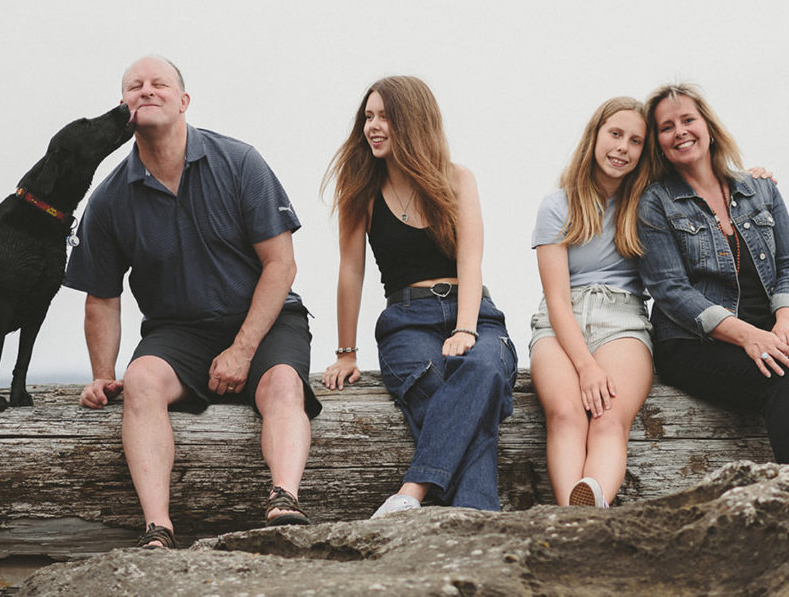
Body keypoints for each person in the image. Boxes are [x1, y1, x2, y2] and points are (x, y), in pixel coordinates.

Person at [66, 55, 321, 549]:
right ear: (123, 108)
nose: (146, 91)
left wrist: (243, 349)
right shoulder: (109, 198)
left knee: (283, 384)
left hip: (263, 321)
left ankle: (285, 499)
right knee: (140, 380)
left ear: (183, 101)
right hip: (177, 330)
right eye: (134, 86)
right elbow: (102, 297)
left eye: (159, 84)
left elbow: (281, 265)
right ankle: (157, 528)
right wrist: (102, 374)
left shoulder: (240, 161)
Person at [320, 75, 517, 517]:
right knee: (441, 389)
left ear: (413, 122)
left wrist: (467, 327)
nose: (372, 126)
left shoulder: (457, 179)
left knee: (484, 368)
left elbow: (470, 260)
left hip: (475, 313)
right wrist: (346, 352)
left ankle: (411, 493)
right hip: (408, 320)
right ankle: (480, 518)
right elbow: (351, 271)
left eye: (385, 117)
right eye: (368, 117)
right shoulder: (363, 192)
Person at [636, 83, 789, 477]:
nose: (680, 131)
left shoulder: (760, 189)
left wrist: (786, 321)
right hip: (692, 341)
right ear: (659, 144)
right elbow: (671, 291)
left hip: (768, 322)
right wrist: (748, 336)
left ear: (709, 126)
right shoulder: (654, 203)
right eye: (667, 127)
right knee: (784, 375)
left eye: (688, 120)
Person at [529, 97, 655, 508]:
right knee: (565, 415)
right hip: (560, 322)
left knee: (608, 420)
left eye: (635, 141)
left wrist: (752, 176)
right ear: (595, 136)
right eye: (615, 134)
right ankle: (573, 516)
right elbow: (557, 300)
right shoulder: (557, 205)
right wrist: (586, 367)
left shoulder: (649, 203)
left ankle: (591, 504)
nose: (622, 148)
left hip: (623, 320)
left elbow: (703, 182)